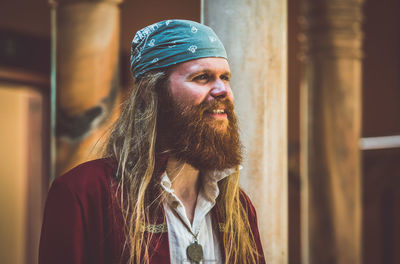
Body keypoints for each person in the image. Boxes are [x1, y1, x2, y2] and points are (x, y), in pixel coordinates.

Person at [39, 19, 265, 264]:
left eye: (225, 77)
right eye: (202, 77)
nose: (223, 90)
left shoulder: (238, 208)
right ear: (151, 92)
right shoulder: (83, 193)